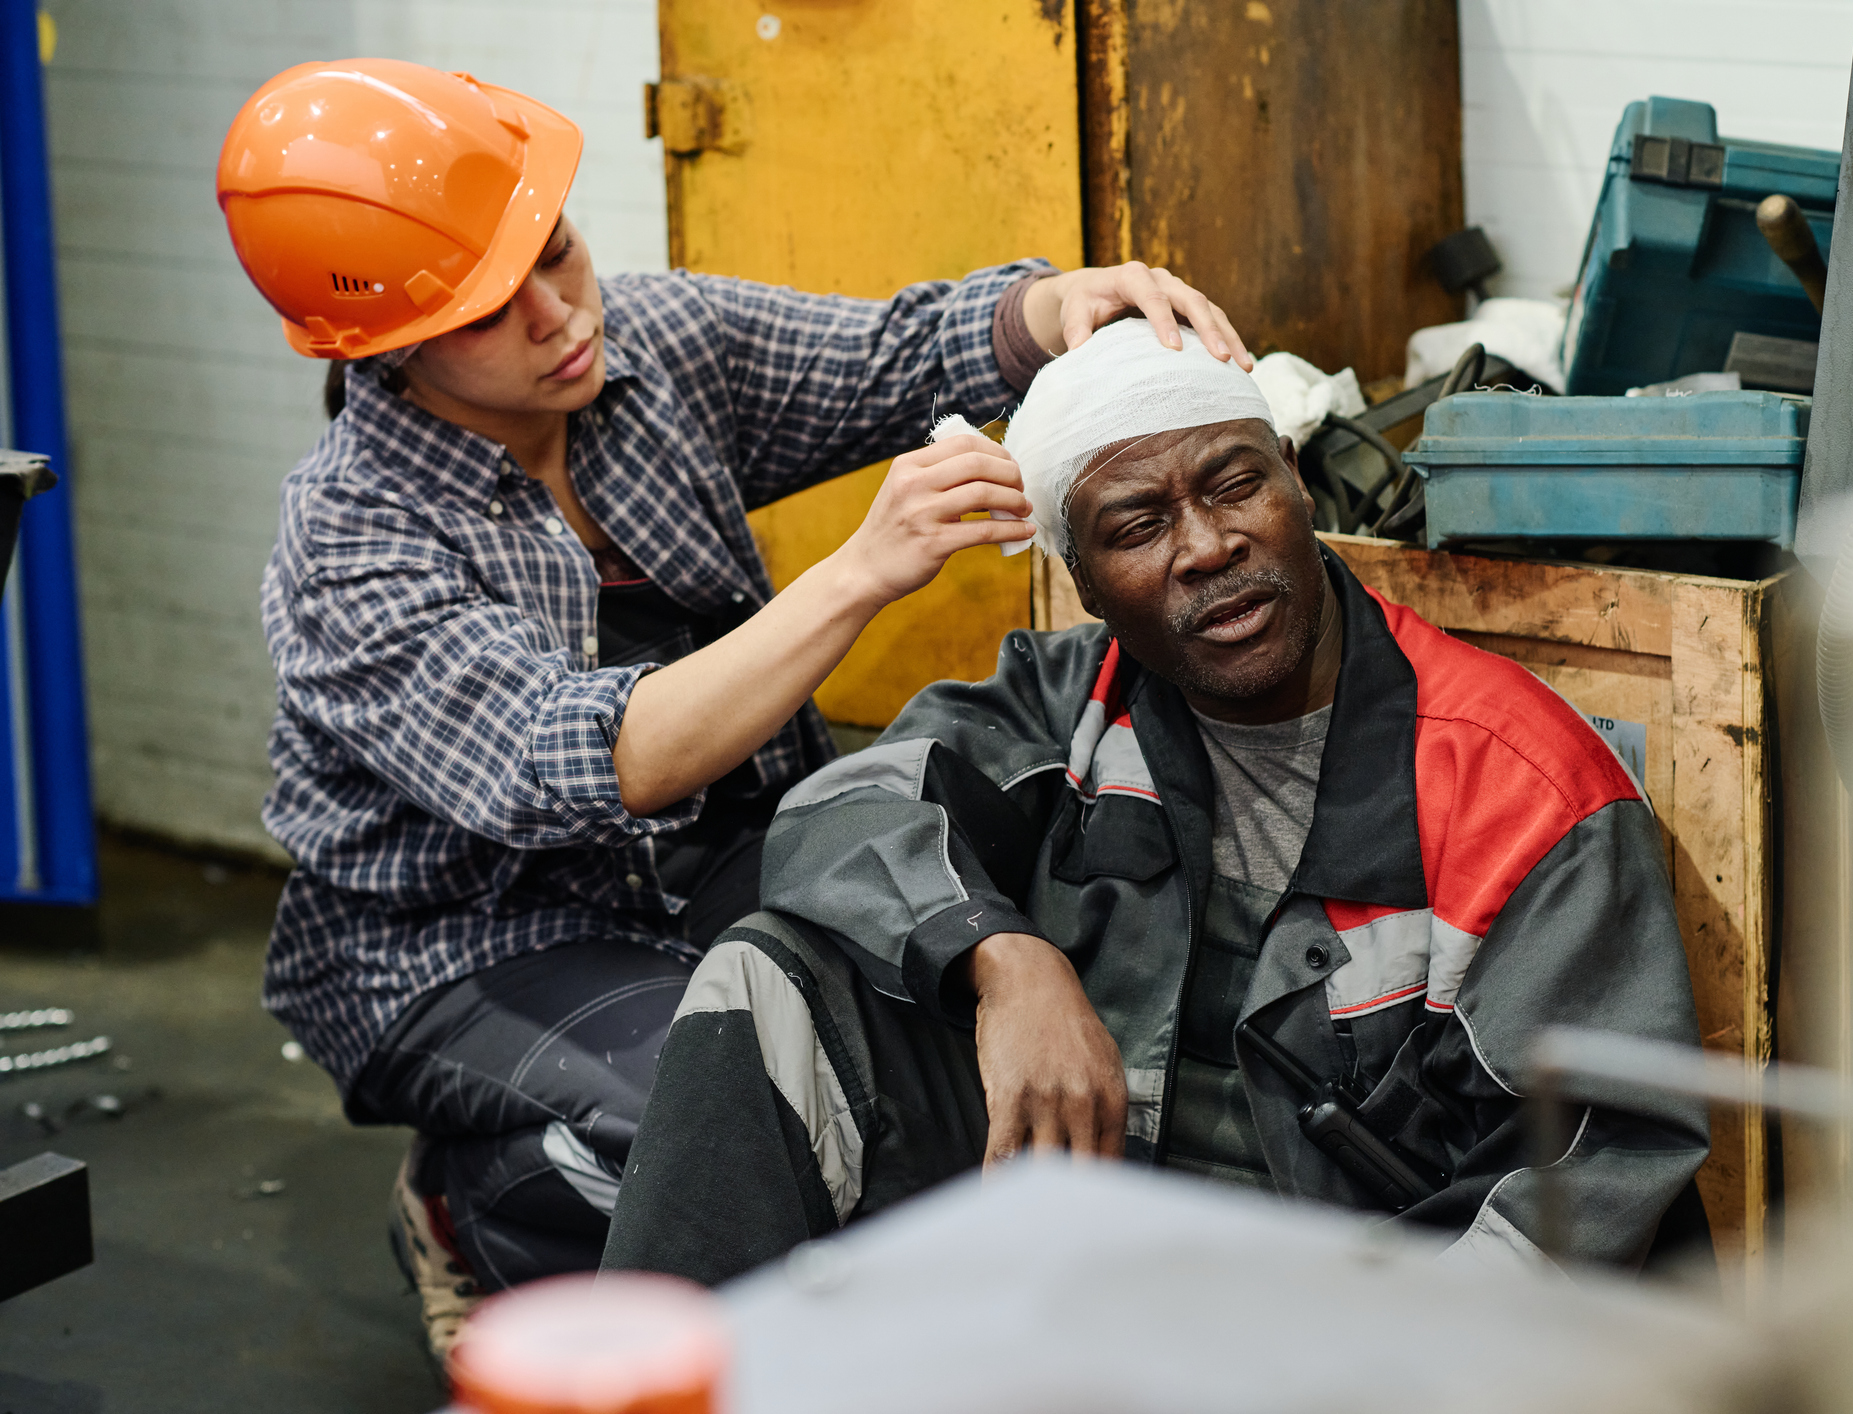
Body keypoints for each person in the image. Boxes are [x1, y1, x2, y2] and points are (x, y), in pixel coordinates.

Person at [215, 58, 1251, 1355]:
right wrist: (861, 572)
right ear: (392, 347)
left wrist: (1051, 310)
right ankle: (471, 1206)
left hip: (709, 863)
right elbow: (601, 758)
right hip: (473, 943)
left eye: (559, 250)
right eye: (493, 309)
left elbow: (884, 355)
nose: (558, 313)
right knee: (727, 1117)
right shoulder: (354, 540)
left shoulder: (647, 350)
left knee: (939, 1033)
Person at [602, 318, 1711, 1284]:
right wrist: (1003, 961)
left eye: (1235, 485)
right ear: (1081, 578)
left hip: (1361, 1304)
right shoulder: (1071, 695)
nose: (1207, 546)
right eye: (1137, 526)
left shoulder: (1519, 785)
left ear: (1294, 477)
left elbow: (1598, 1172)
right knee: (768, 975)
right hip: (1104, 1236)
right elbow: (842, 813)